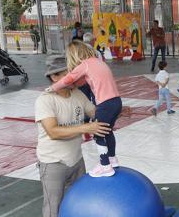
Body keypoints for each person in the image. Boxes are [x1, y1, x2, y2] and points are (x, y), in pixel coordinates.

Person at [35, 56, 111, 217]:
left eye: (70, 73)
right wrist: (85, 129)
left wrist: (116, 110)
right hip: (53, 163)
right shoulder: (45, 100)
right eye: (64, 74)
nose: (70, 77)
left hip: (76, 160)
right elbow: (53, 131)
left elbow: (94, 112)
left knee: (79, 202)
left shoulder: (77, 94)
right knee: (53, 209)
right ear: (53, 77)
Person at [47, 41, 126, 178]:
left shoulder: (85, 65)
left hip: (105, 103)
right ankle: (112, 159)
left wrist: (53, 87)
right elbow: (83, 81)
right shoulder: (99, 62)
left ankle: (105, 165)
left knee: (98, 133)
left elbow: (69, 79)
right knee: (107, 131)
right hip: (116, 101)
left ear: (75, 56)